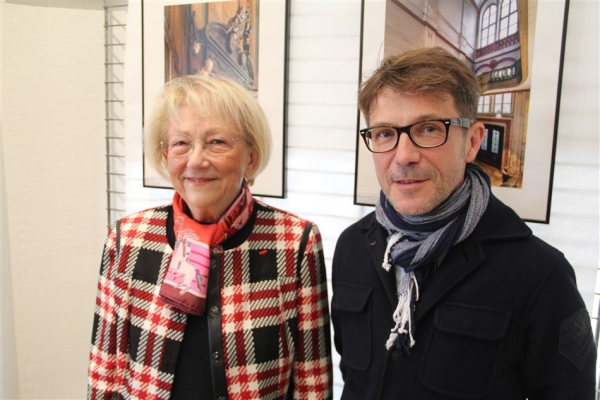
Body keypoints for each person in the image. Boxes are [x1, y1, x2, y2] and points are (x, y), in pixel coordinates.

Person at [331, 47, 596, 399]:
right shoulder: (353, 248)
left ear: (472, 142)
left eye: (428, 128)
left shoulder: (539, 274)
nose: (404, 156)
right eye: (384, 133)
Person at [88, 74, 332, 399]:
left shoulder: (294, 242)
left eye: (217, 142)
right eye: (181, 143)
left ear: (252, 157)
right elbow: (106, 370)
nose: (196, 160)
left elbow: (311, 380)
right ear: (165, 156)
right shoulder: (127, 240)